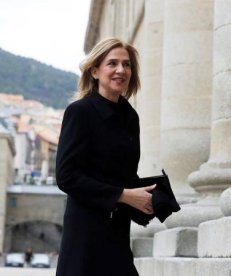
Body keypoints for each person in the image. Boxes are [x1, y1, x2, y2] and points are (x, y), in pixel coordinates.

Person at [55, 38, 159, 276]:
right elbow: (66, 176)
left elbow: (125, 175)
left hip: (118, 230)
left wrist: (151, 196)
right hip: (85, 231)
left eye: (127, 64)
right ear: (95, 70)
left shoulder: (130, 117)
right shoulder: (80, 112)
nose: (121, 70)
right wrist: (123, 195)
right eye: (112, 63)